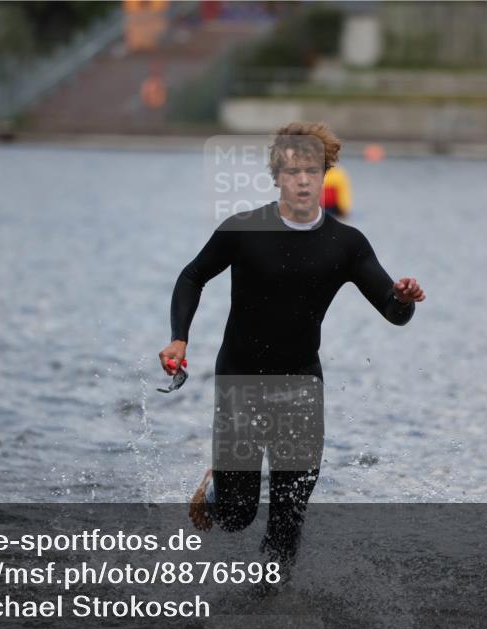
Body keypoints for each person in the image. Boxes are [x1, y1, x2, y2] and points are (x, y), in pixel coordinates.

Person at [158, 121, 425, 567]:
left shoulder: (346, 244)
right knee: (237, 516)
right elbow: (191, 277)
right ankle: (218, 486)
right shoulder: (243, 230)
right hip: (241, 381)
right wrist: (179, 338)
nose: (303, 180)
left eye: (312, 170)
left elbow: (393, 313)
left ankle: (270, 605)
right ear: (277, 176)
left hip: (301, 386)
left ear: (326, 175)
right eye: (292, 171)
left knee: (288, 515)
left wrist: (402, 298)